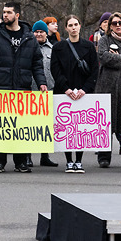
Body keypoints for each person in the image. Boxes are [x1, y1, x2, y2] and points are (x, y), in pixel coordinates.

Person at [0, 2, 48, 173]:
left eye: (9, 12)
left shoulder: (29, 37)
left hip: (22, 89)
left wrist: (41, 83)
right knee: (1, 126)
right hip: (1, 88)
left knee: (21, 128)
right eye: (3, 12)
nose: (5, 15)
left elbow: (36, 64)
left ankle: (21, 162)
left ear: (17, 15)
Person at [51, 15, 99, 173]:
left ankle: (78, 161)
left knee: (81, 129)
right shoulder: (58, 47)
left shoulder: (89, 46)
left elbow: (94, 70)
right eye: (70, 25)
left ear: (80, 26)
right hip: (64, 92)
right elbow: (55, 70)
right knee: (67, 128)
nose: (73, 27)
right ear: (66, 28)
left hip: (83, 93)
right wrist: (65, 88)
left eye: (76, 24)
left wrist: (85, 89)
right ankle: (68, 161)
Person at [96, 12, 121, 168]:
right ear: (109, 25)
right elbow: (103, 57)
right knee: (106, 123)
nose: (117, 25)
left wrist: (118, 59)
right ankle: (103, 157)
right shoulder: (104, 40)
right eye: (114, 23)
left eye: (120, 23)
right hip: (107, 86)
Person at [31, 20, 58, 167]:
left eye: (41, 32)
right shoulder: (27, 47)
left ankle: (45, 156)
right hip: (31, 91)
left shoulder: (53, 49)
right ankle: (27, 156)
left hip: (48, 91)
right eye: (36, 32)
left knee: (46, 126)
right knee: (29, 126)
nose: (39, 34)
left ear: (46, 33)